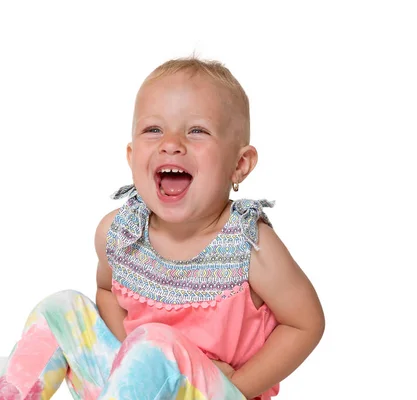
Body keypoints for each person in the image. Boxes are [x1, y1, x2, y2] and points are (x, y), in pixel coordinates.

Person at [0, 56, 325, 400]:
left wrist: (239, 387)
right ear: (131, 157)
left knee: (154, 341)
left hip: (214, 391)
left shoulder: (249, 245)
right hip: (129, 387)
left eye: (196, 130)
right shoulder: (120, 233)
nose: (171, 143)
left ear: (239, 165)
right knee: (59, 310)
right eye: (153, 130)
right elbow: (107, 292)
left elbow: (305, 324)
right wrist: (135, 364)